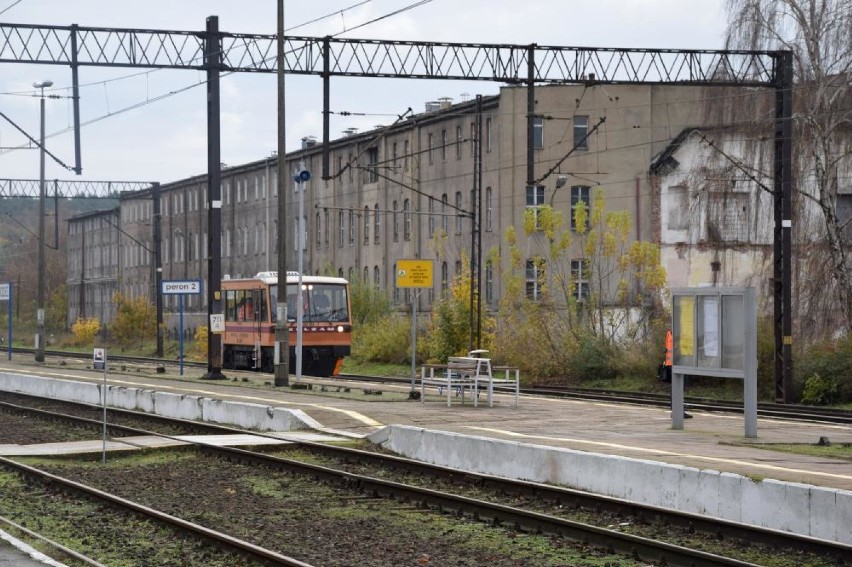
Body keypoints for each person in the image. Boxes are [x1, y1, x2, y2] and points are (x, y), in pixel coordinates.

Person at [660, 329, 692, 418]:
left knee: (676, 389)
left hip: (671, 364)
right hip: (679, 364)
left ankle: (677, 411)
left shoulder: (669, 333)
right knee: (679, 389)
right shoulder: (678, 334)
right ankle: (677, 412)